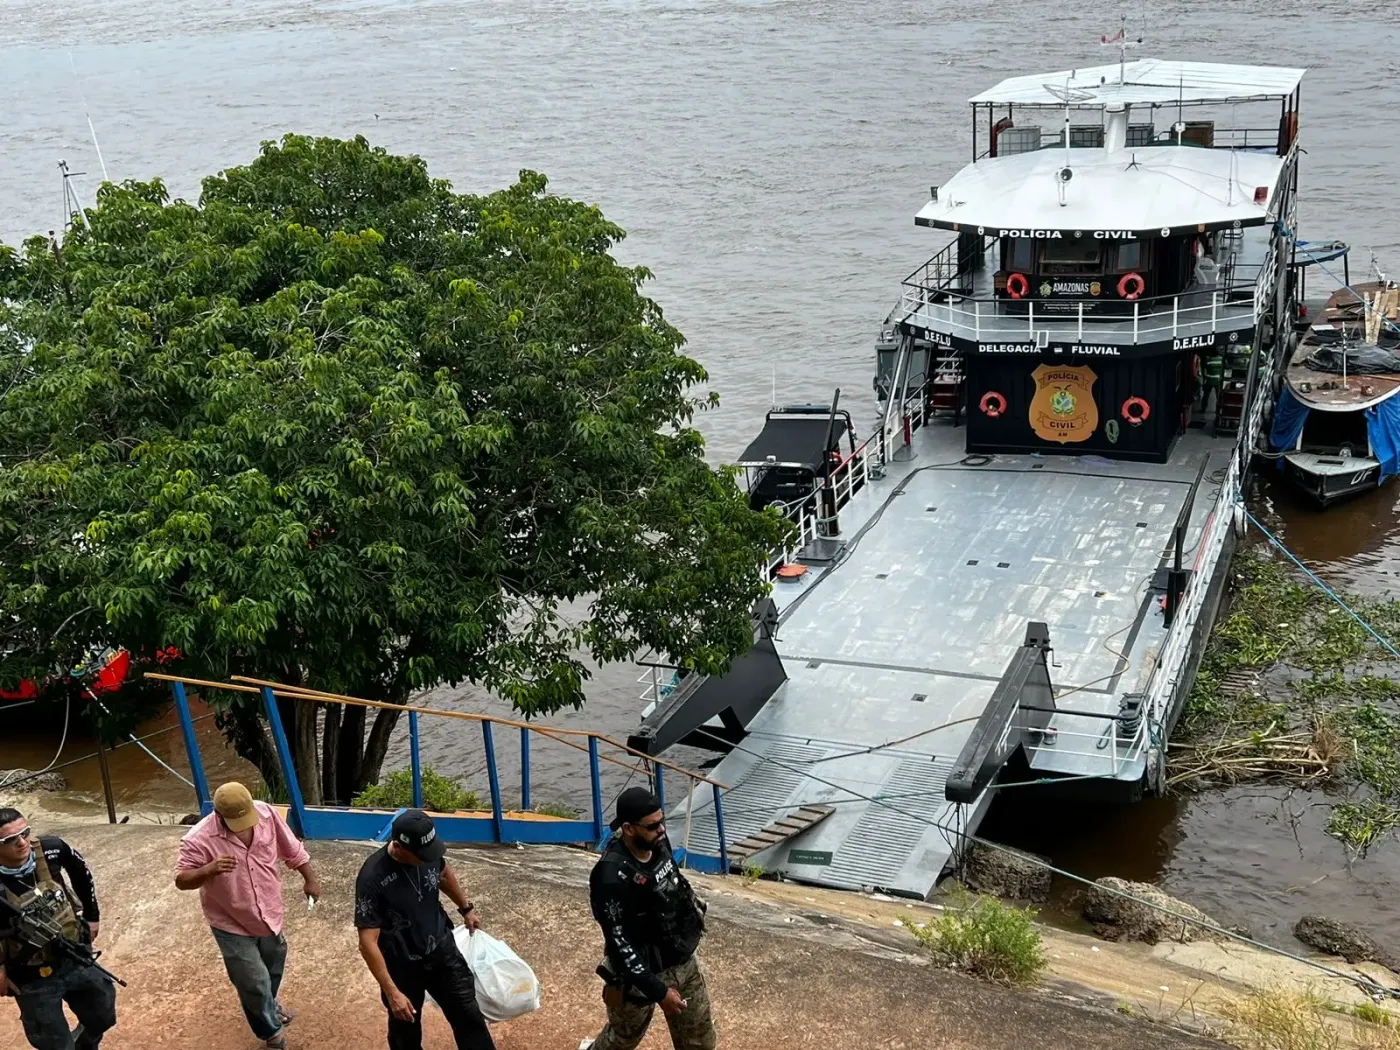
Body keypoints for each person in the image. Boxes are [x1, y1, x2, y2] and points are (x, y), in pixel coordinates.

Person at [175, 782, 321, 1050]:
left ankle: (268, 1003)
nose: (243, 825)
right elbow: (182, 880)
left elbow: (292, 848)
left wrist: (309, 878)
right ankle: (271, 1034)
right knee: (252, 980)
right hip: (230, 920)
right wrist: (209, 869)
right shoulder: (198, 839)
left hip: (268, 911)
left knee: (273, 967)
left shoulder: (265, 813)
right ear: (218, 815)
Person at [584, 787, 716, 1050]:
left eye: (662, 822)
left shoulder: (657, 842)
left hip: (682, 961)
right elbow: (620, 946)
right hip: (637, 978)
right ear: (629, 829)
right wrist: (659, 992)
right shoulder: (609, 876)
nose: (662, 830)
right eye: (653, 825)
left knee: (700, 1041)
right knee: (621, 1040)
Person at [354, 809, 495, 1050]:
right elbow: (367, 942)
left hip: (441, 950)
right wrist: (392, 993)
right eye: (422, 855)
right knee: (405, 1031)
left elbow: (444, 874)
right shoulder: (372, 878)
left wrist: (466, 908)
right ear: (398, 847)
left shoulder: (427, 852)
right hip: (402, 965)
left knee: (469, 1015)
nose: (428, 857)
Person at [0, 806, 117, 1050]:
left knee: (103, 1014)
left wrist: (92, 915)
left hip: (73, 954)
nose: (22, 843)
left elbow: (81, 873)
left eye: (25, 833)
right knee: (54, 1043)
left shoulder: (51, 849)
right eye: (10, 840)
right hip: (28, 972)